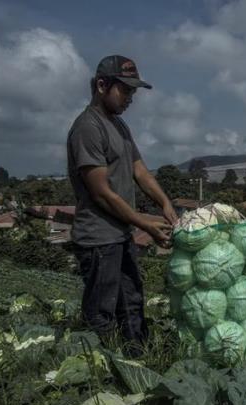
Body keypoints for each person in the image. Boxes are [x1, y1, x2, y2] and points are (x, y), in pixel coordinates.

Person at [66, 55, 178, 356]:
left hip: (119, 235)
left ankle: (138, 362)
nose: (130, 98)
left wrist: (164, 202)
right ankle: (100, 370)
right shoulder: (88, 128)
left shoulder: (120, 126)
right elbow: (101, 193)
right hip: (98, 239)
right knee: (101, 313)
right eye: (125, 90)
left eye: (133, 92)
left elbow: (139, 169)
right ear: (102, 85)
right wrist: (145, 223)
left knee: (131, 302)